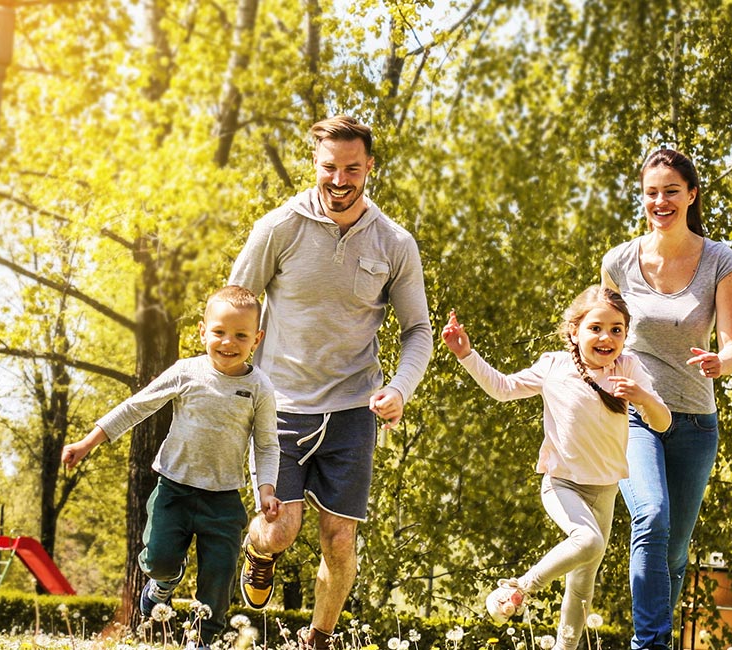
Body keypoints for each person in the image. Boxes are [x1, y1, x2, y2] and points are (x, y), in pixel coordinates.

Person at [227, 115, 434, 650]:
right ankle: (259, 550)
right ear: (314, 165)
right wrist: (231, 383)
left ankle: (317, 638)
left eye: (352, 169)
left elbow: (418, 332)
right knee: (280, 531)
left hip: (351, 409)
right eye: (329, 169)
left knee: (340, 539)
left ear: (369, 168)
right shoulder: (278, 228)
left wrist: (400, 388)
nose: (340, 181)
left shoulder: (394, 243)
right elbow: (235, 306)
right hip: (281, 405)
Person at [440, 286, 670, 650]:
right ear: (574, 331)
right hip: (562, 485)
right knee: (588, 540)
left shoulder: (628, 368)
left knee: (582, 583)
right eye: (596, 328)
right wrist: (466, 354)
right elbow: (503, 388)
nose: (606, 337)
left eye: (617, 329)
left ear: (626, 335)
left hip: (605, 490)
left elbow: (662, 422)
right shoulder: (554, 366)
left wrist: (641, 398)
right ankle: (519, 587)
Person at [59, 285, 282, 647]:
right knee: (159, 559)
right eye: (219, 332)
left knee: (219, 576)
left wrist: (266, 490)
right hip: (174, 489)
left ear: (256, 339)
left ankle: (204, 639)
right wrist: (88, 442)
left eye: (241, 335)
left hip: (224, 498)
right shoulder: (186, 372)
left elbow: (267, 444)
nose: (228, 342)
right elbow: (137, 406)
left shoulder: (260, 388)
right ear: (202, 331)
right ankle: (163, 583)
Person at [600, 147, 732, 650]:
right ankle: (652, 644)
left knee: (675, 552)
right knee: (652, 516)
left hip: (694, 423)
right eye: (651, 192)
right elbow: (602, 335)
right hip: (636, 411)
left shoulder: (719, 260)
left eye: (671, 191)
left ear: (691, 195)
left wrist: (719, 363)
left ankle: (658, 638)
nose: (660, 201)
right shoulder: (618, 261)